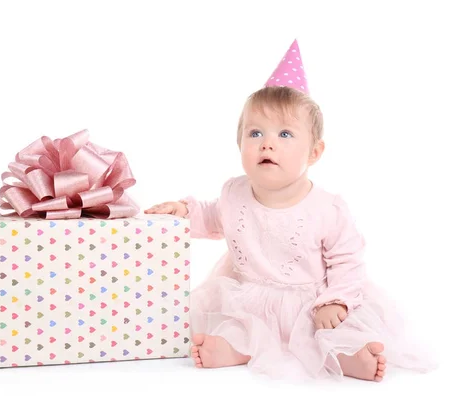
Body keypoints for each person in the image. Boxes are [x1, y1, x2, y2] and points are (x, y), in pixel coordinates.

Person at [144, 39, 436, 382]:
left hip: (312, 302)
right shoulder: (234, 192)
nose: (267, 143)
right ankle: (235, 347)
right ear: (240, 145)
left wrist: (337, 300)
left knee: (327, 332)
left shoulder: (327, 208)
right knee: (238, 325)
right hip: (249, 296)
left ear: (313, 153)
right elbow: (212, 217)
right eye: (255, 133)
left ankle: (348, 355)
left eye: (285, 133)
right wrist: (183, 210)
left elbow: (348, 261)